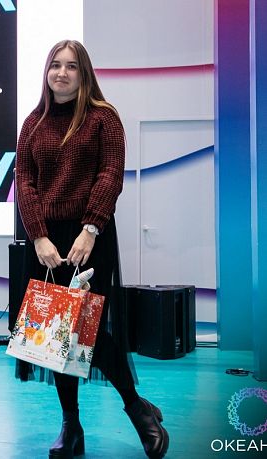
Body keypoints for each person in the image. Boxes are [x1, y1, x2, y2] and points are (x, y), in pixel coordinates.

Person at [15, 40, 169, 459]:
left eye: (71, 66)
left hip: (90, 238)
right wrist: (39, 236)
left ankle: (137, 410)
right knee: (57, 335)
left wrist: (90, 228)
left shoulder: (104, 118)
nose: (61, 73)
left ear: (84, 74)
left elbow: (110, 174)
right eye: (55, 65)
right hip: (45, 242)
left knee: (91, 332)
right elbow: (25, 182)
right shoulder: (33, 122)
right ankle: (71, 426)